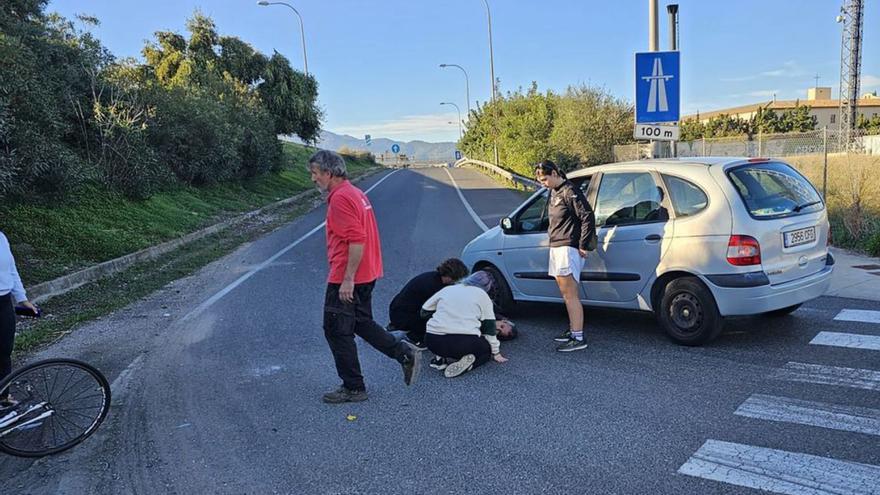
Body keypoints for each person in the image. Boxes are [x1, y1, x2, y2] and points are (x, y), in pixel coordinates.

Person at [309, 150, 421, 404]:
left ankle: (353, 387)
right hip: (366, 273)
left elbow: (356, 240)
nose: (313, 179)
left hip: (348, 276)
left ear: (329, 173)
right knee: (360, 322)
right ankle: (403, 353)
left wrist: (347, 279)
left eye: (315, 173)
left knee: (337, 331)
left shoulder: (340, 199)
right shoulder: (355, 193)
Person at [534, 160, 596, 352]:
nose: (543, 183)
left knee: (570, 295)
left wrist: (583, 244)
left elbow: (587, 215)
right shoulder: (554, 192)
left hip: (567, 247)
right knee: (565, 294)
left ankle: (578, 336)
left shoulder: (570, 191)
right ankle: (573, 330)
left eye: (545, 179)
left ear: (554, 173)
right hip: (557, 246)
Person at [421, 271, 508, 378]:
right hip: (462, 343)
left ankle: (438, 360)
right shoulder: (482, 295)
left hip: (432, 340)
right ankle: (470, 364)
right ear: (487, 286)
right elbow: (489, 328)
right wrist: (496, 352)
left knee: (442, 333)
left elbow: (424, 311)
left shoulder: (448, 289)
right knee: (486, 349)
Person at [387, 258, 470, 349]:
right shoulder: (433, 287)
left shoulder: (432, 277)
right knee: (439, 317)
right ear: (449, 276)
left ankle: (400, 327)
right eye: (455, 279)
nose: (455, 282)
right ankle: (416, 338)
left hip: (397, 310)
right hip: (402, 317)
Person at [1, 231, 38, 407]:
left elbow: (12, 270)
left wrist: (23, 299)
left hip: (4, 303)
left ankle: (3, 397)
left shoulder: (1, 237)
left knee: (3, 353)